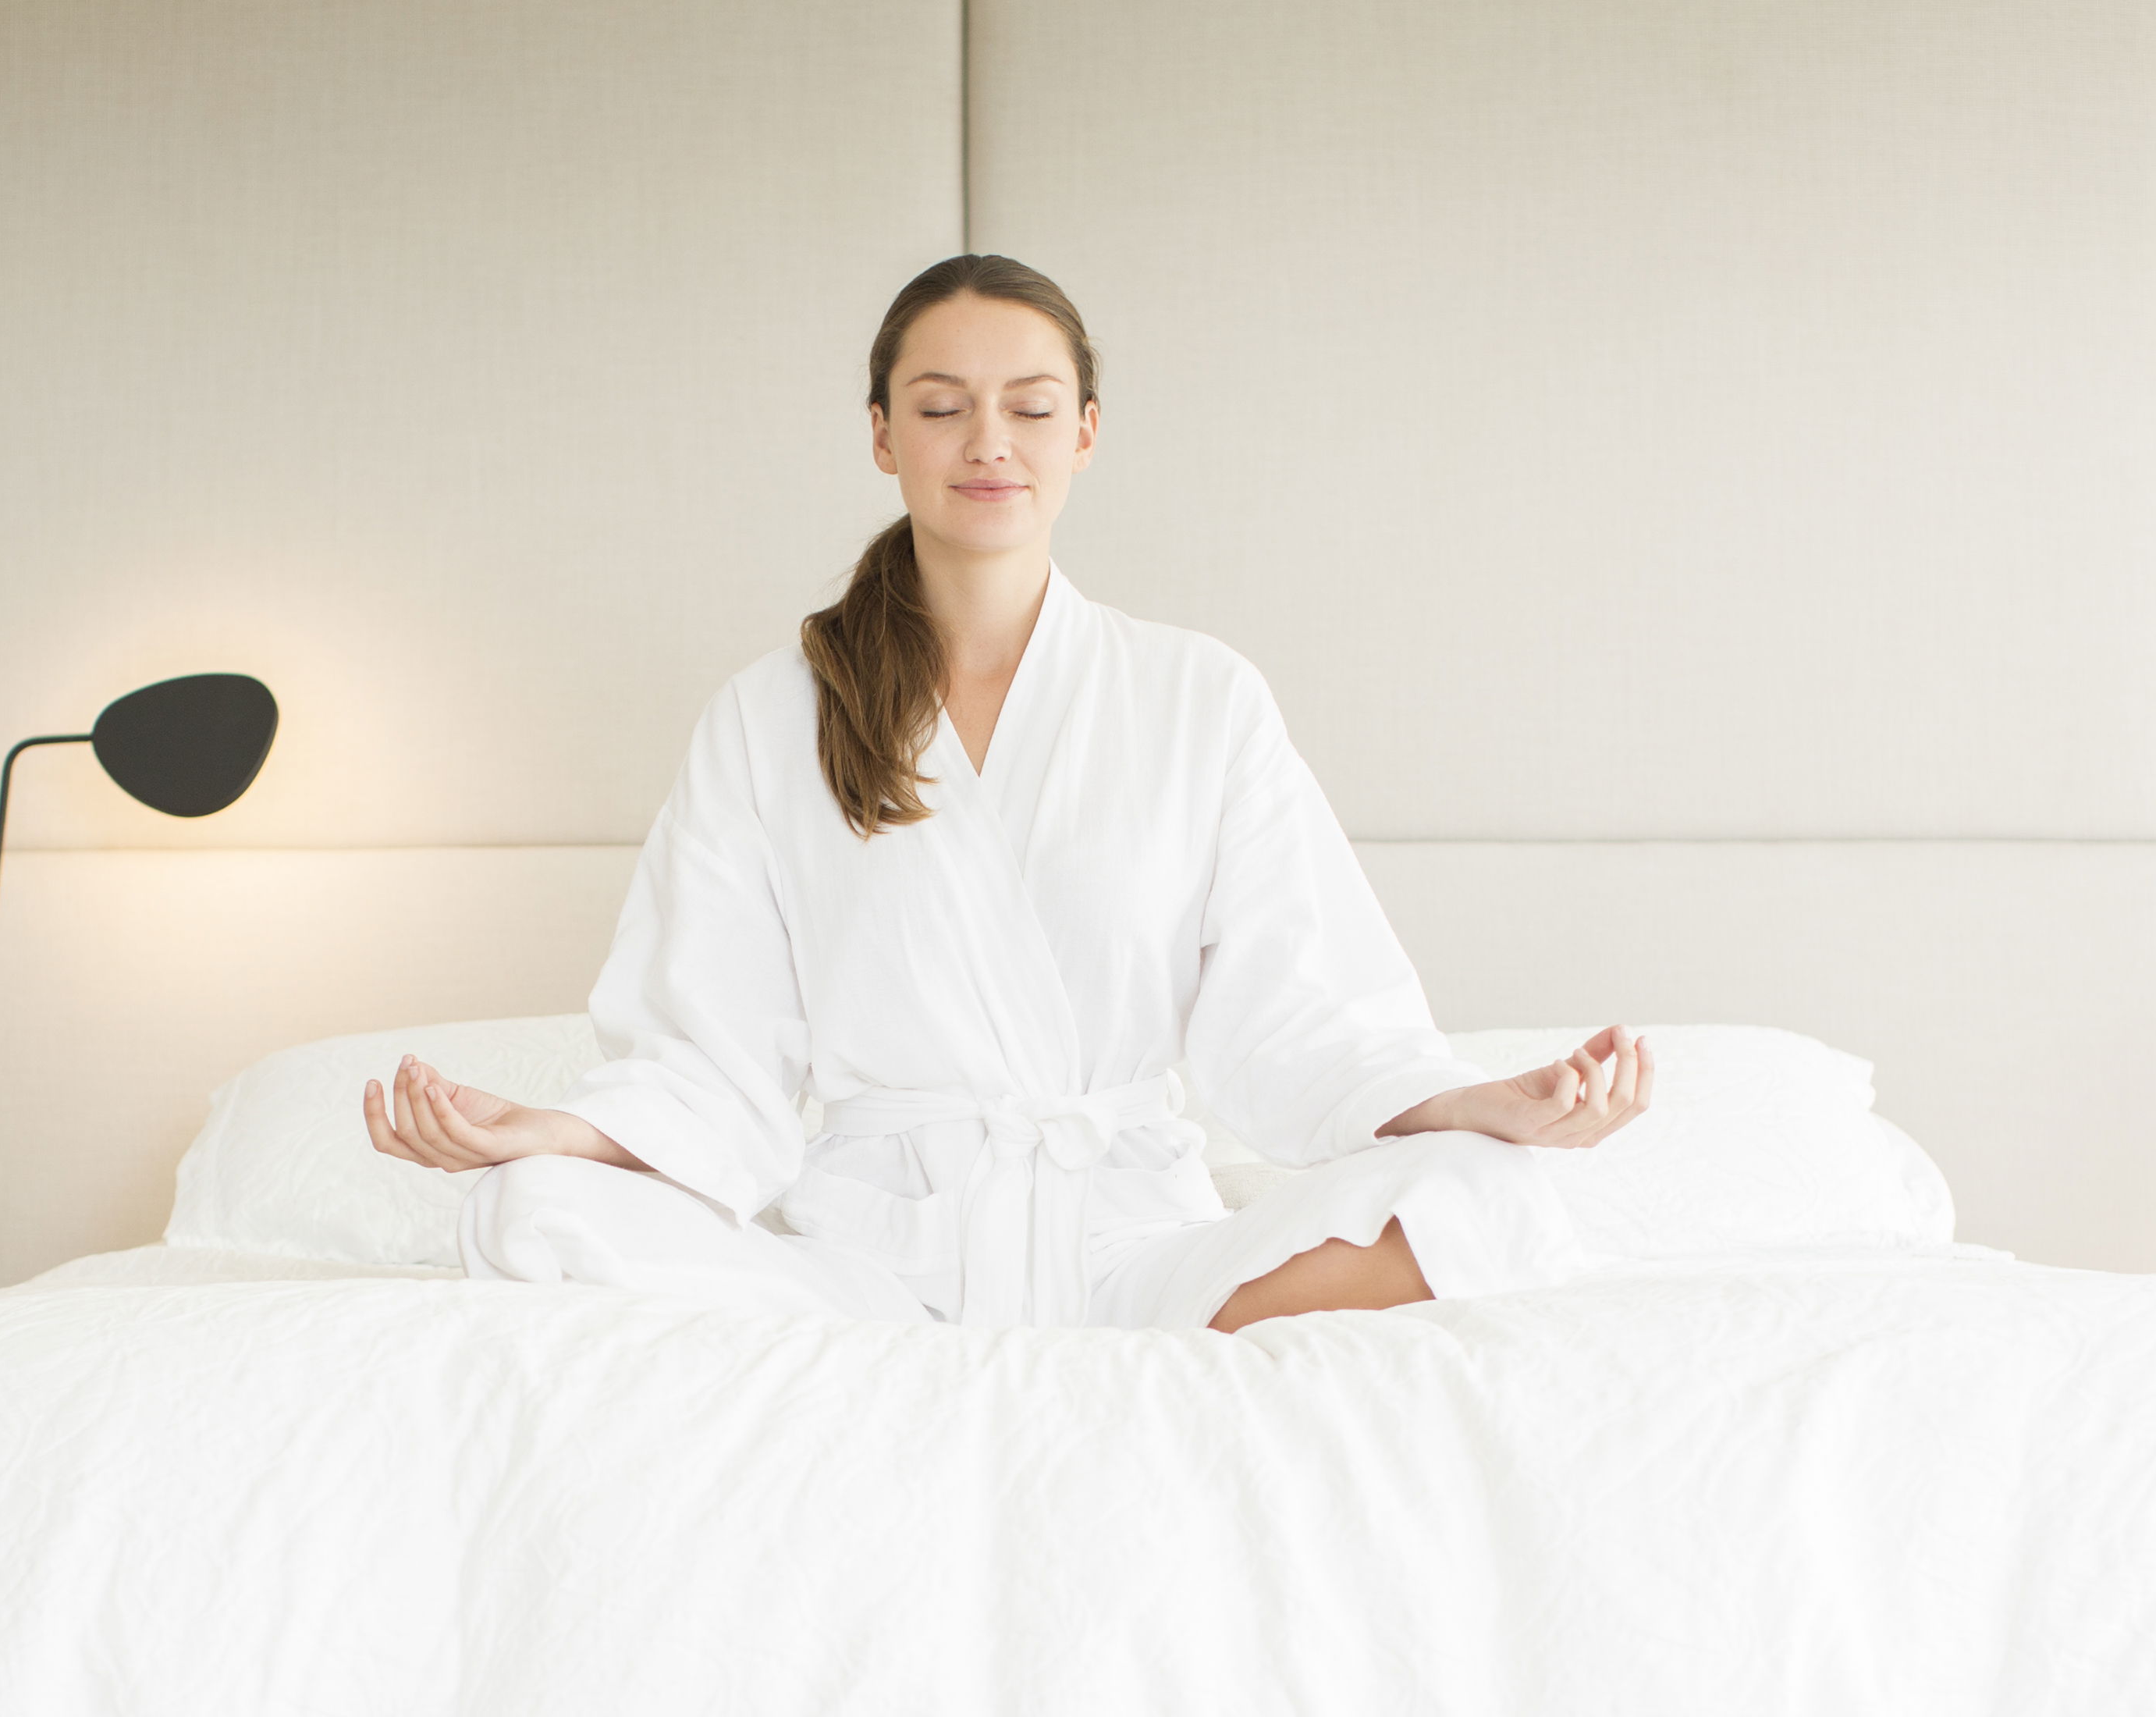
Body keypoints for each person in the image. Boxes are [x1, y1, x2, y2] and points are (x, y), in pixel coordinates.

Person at [364, 252, 1651, 1333]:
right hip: (872, 1269)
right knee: (526, 1210)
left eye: (1031, 407)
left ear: (1085, 433)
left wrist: (1476, 1105)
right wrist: (562, 1133)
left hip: (1141, 1260)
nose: (989, 443)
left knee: (1494, 1200)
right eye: (941, 406)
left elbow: (1302, 1021)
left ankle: (1167, 1339)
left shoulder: (1197, 696)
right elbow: (714, 1057)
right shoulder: (772, 715)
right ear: (881, 433)